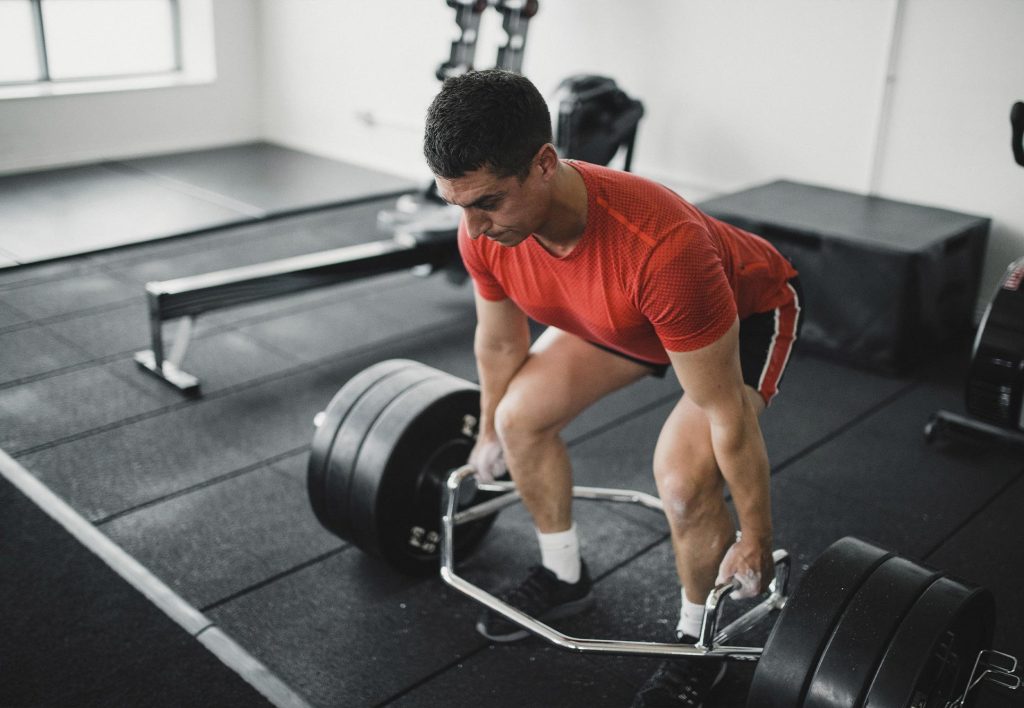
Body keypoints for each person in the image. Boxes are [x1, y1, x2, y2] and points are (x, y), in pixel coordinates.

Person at [423, 69, 802, 708]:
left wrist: (757, 535)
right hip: (623, 319)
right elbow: (499, 343)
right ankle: (564, 572)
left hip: (740, 315)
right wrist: (488, 427)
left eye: (488, 202)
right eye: (458, 205)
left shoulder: (663, 248)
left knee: (682, 480)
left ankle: (695, 642)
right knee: (520, 419)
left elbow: (724, 414)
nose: (474, 227)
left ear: (545, 163)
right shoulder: (480, 226)